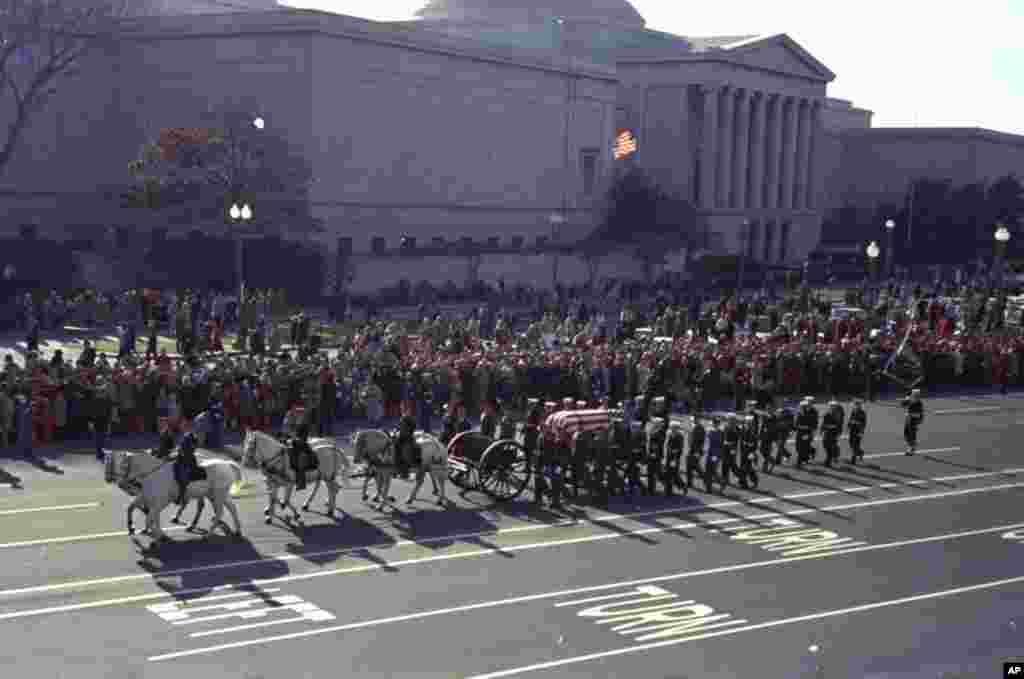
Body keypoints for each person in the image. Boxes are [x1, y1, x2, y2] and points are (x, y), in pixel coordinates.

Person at [173, 433, 200, 506]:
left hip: (188, 459)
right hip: (182, 458)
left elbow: (193, 448)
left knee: (184, 480)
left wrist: (184, 452)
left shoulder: (191, 438)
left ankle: (180, 498)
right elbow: (181, 447)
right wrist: (180, 451)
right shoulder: (186, 437)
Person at [795, 397, 819, 468]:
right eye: (801, 406)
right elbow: (796, 423)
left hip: (807, 432)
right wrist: (796, 427)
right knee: (798, 447)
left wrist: (811, 431)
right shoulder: (799, 413)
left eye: (810, 402)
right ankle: (811, 451)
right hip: (799, 432)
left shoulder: (813, 412)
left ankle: (800, 462)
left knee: (803, 447)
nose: (808, 403)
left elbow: (814, 424)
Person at [289, 424, 313, 491]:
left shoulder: (303, 425)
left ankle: (302, 483)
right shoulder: (294, 424)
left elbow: (304, 437)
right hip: (296, 447)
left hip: (303, 448)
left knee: (300, 463)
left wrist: (295, 439)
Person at [821, 400, 844, 467]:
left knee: (832, 446)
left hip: (834, 432)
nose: (831, 407)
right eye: (830, 406)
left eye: (833, 406)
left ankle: (828, 461)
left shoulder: (838, 415)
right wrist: (822, 430)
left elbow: (839, 424)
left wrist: (839, 432)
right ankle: (834, 455)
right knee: (825, 445)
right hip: (827, 432)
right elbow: (823, 423)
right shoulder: (826, 414)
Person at [901, 388, 924, 455]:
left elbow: (918, 415)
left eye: (916, 396)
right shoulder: (910, 399)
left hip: (914, 418)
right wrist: (906, 399)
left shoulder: (918, 404)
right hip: (909, 418)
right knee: (906, 433)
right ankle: (911, 445)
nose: (915, 397)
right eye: (914, 395)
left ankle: (911, 448)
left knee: (911, 432)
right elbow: (902, 404)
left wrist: (910, 414)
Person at [847, 399, 867, 464]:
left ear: (859, 405)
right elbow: (850, 419)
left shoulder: (862, 413)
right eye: (854, 405)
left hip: (858, 431)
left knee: (855, 444)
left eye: (856, 405)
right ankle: (860, 452)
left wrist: (861, 432)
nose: (855, 406)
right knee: (851, 443)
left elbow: (863, 423)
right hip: (852, 430)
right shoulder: (853, 411)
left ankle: (853, 459)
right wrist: (848, 425)